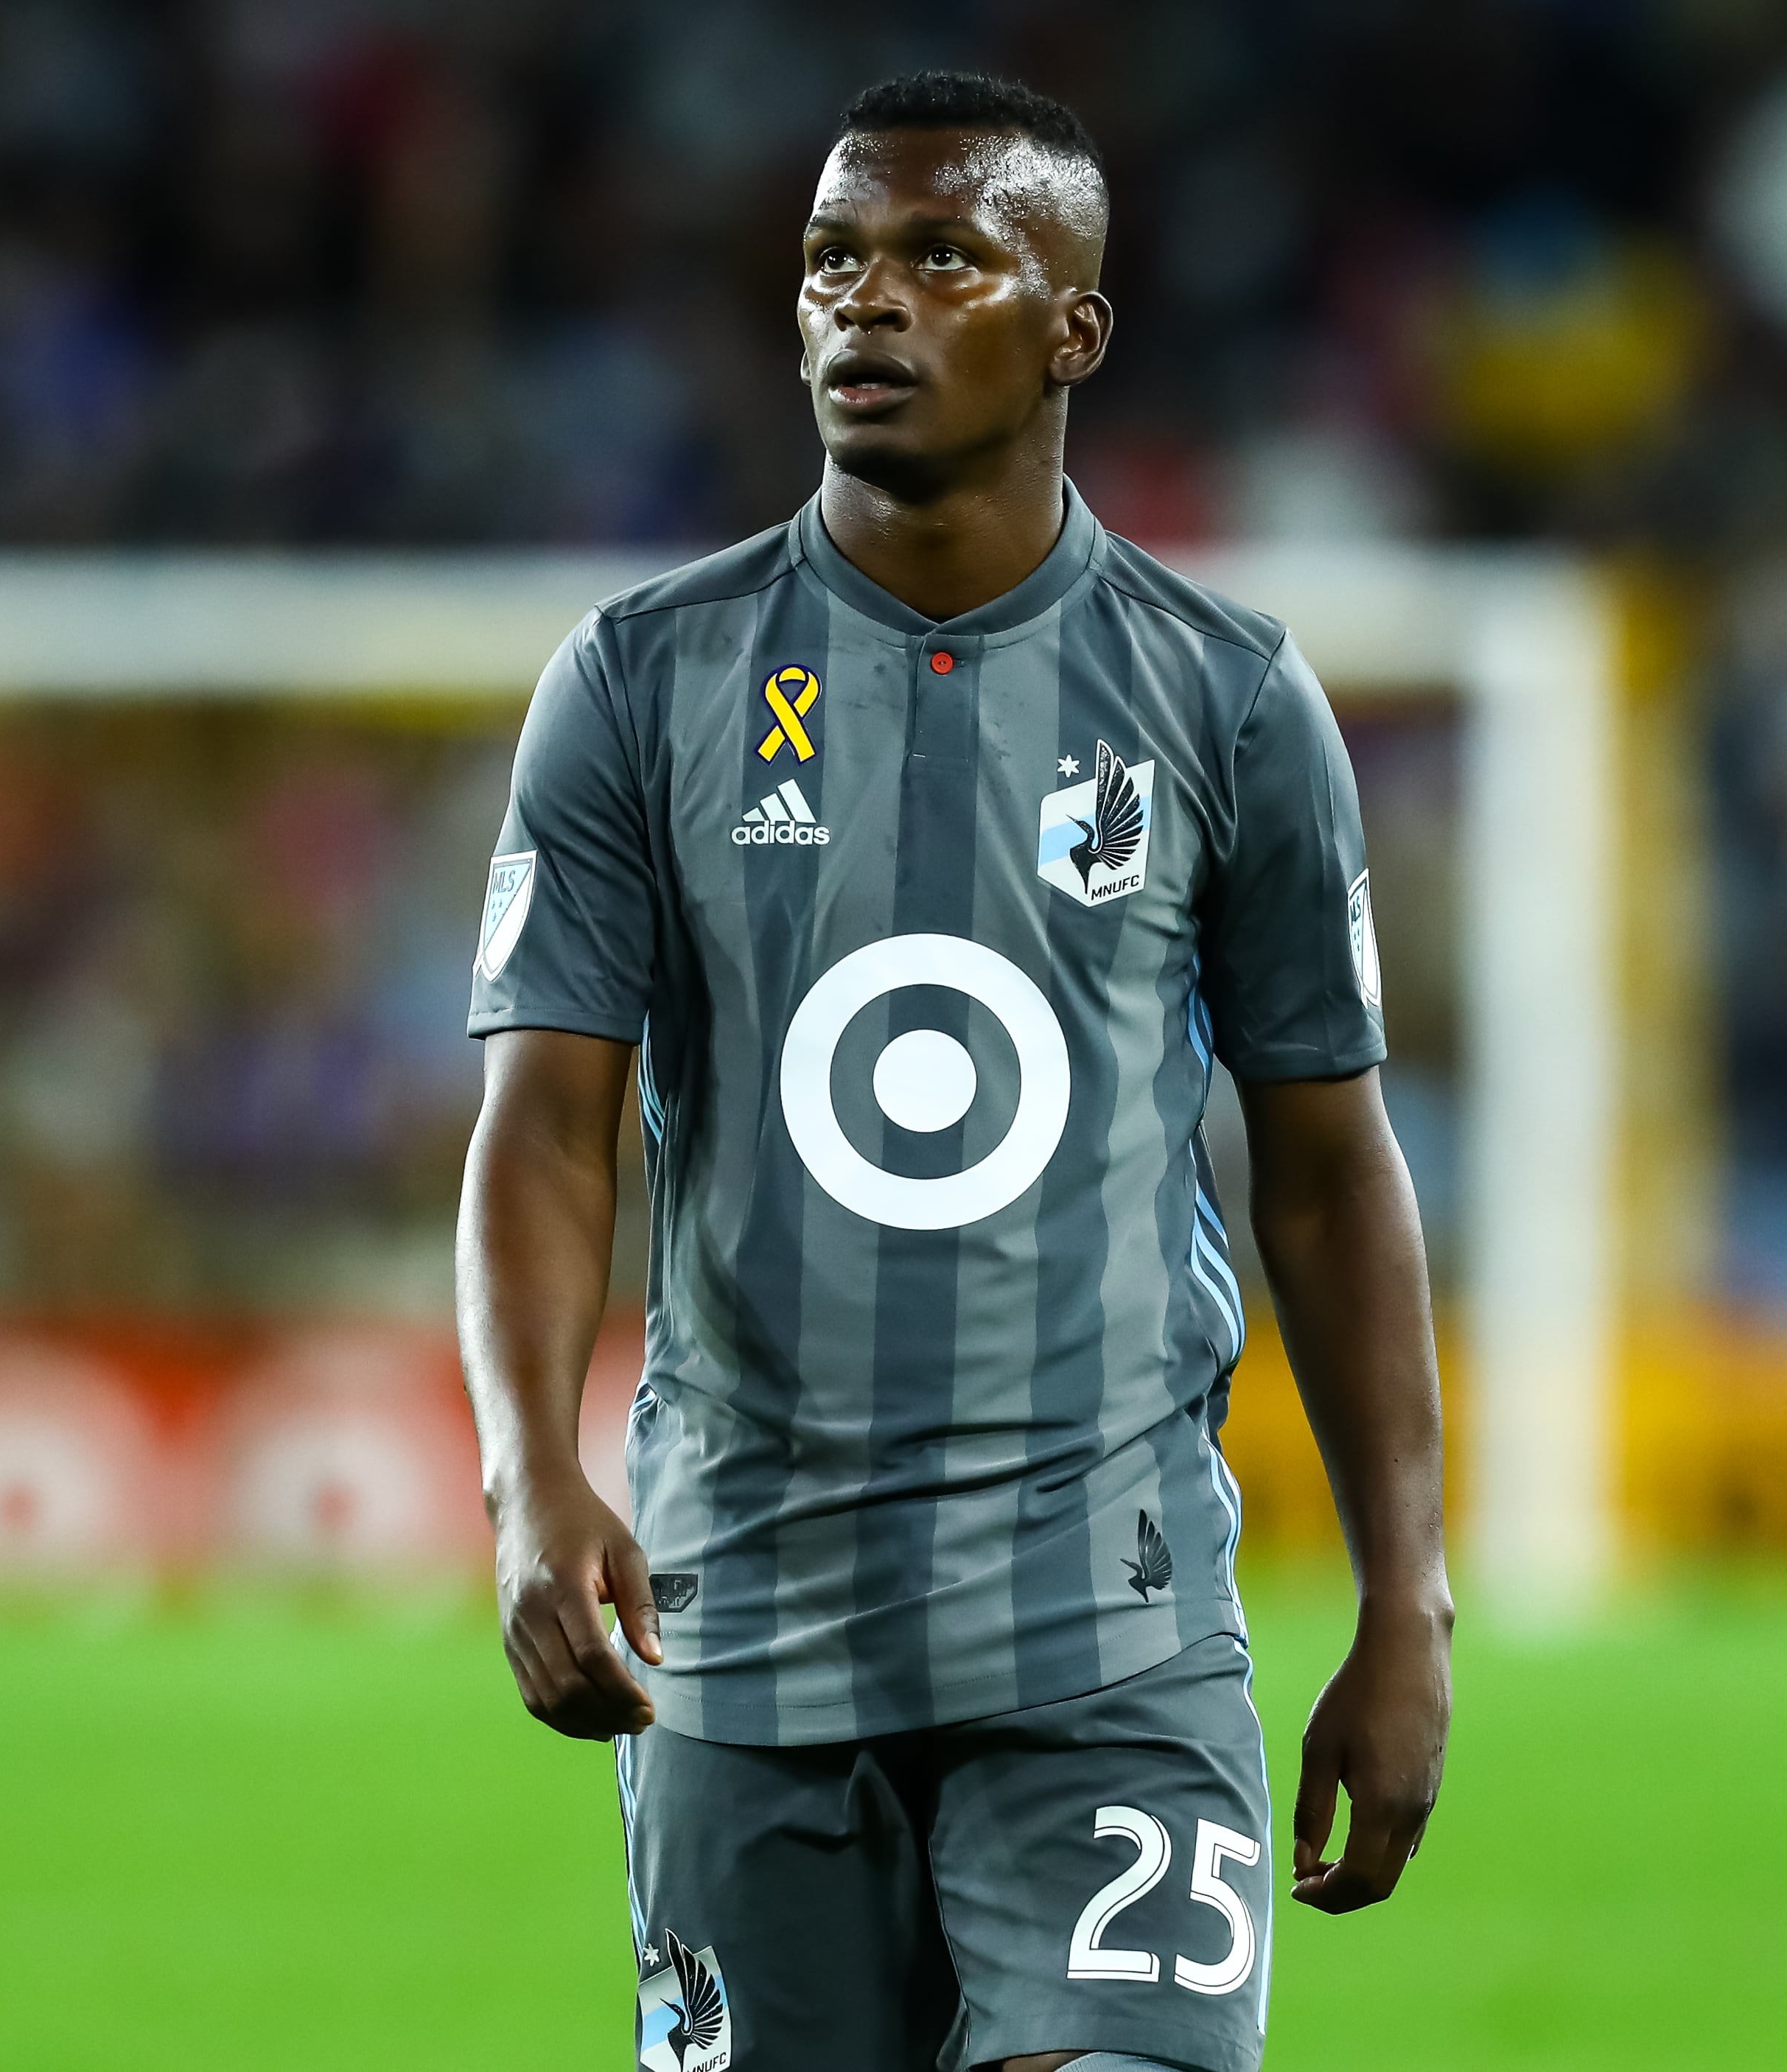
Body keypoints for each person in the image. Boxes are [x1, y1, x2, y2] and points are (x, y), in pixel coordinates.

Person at [457, 69, 1451, 2072]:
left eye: (937, 255)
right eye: (832, 258)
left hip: (1108, 1627)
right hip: (740, 1633)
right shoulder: (638, 682)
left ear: (1070, 324)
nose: (864, 303)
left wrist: (1405, 1594)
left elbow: (1331, 1171)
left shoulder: (1226, 700)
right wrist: (527, 1470)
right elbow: (545, 1124)